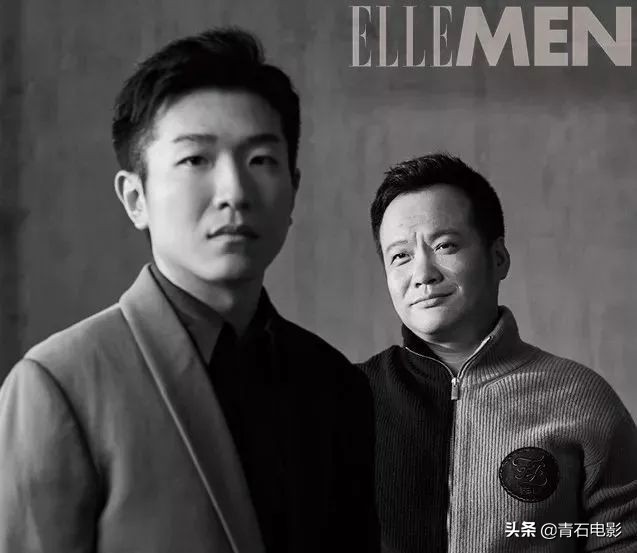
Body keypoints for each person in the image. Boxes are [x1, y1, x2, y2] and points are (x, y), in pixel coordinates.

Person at [0, 28, 378, 553]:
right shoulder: (58, 385)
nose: (234, 192)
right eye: (196, 160)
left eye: (261, 160)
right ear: (136, 198)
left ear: (293, 189)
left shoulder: (336, 384)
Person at [359, 153, 637, 553]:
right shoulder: (346, 396)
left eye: (445, 245)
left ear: (499, 258)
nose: (423, 274)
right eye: (400, 256)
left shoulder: (582, 399)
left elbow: (620, 538)